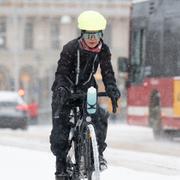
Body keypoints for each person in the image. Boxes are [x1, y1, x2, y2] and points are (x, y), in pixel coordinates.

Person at [50, 10, 121, 180]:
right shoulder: (70, 48)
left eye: (96, 34)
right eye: (89, 35)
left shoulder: (103, 50)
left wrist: (111, 88)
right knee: (60, 130)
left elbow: (107, 72)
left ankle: (98, 154)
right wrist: (62, 89)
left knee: (100, 116)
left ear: (101, 34)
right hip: (65, 92)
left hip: (87, 91)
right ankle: (61, 165)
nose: (92, 39)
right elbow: (61, 73)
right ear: (82, 34)